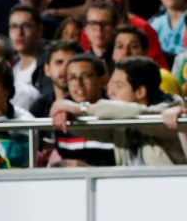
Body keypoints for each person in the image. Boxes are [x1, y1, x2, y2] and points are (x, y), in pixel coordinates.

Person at [54, 57, 187, 165]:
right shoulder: (121, 117)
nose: (110, 92)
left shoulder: (171, 113)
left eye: (119, 86)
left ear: (140, 92)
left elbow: (140, 114)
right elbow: (94, 130)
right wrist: (67, 113)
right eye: (110, 84)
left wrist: (82, 108)